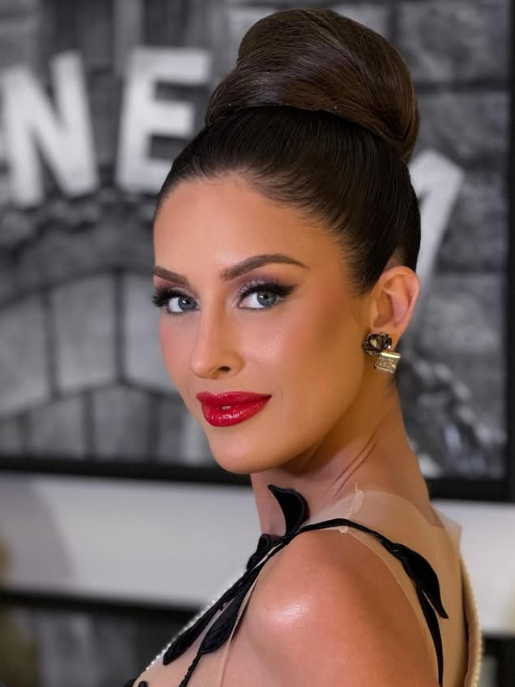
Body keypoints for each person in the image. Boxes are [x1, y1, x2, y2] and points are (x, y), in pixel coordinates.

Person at [122, 7, 482, 687]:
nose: (204, 356)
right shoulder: (397, 536)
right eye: (179, 299)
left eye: (261, 293)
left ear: (386, 307)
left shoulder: (319, 595)